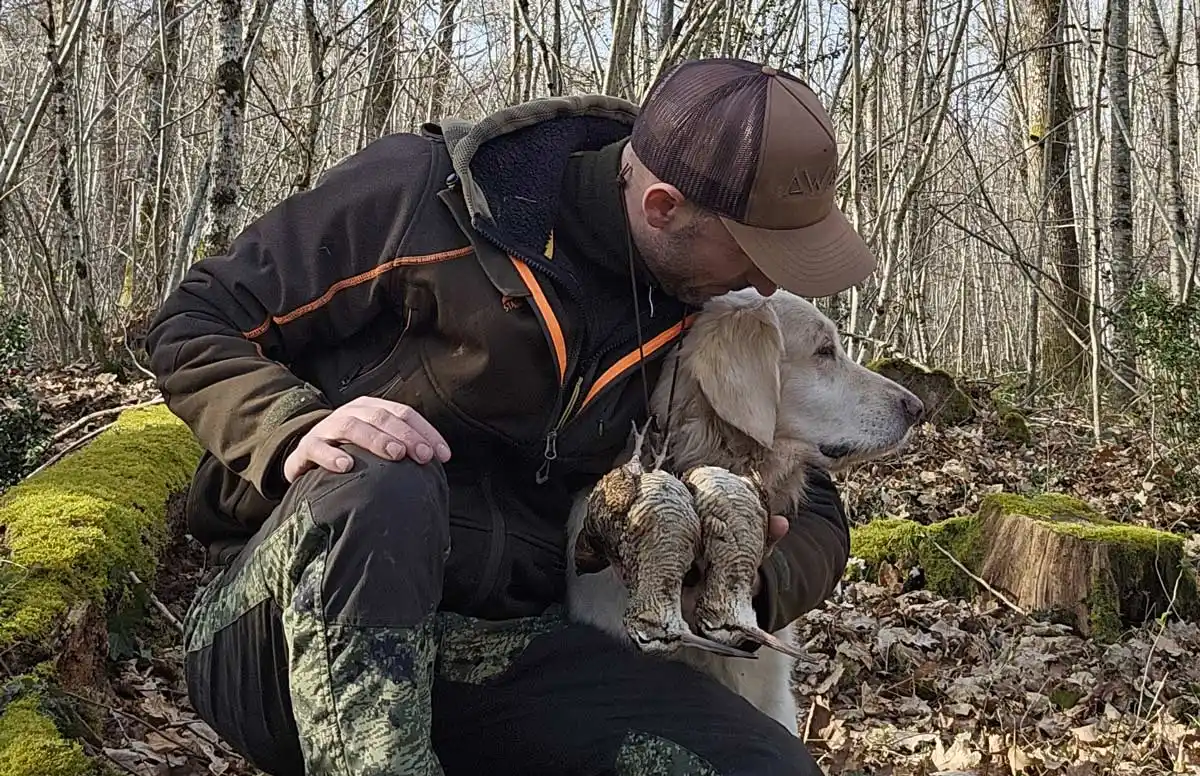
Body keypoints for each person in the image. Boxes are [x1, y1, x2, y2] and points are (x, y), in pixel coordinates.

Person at [146, 57, 876, 776]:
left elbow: (816, 514)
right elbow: (195, 319)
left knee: (761, 765)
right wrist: (293, 425)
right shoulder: (424, 197)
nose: (766, 279)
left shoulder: (699, 321)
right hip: (281, 632)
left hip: (497, 658)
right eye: (752, 249)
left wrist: (734, 581)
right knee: (383, 469)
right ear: (663, 208)